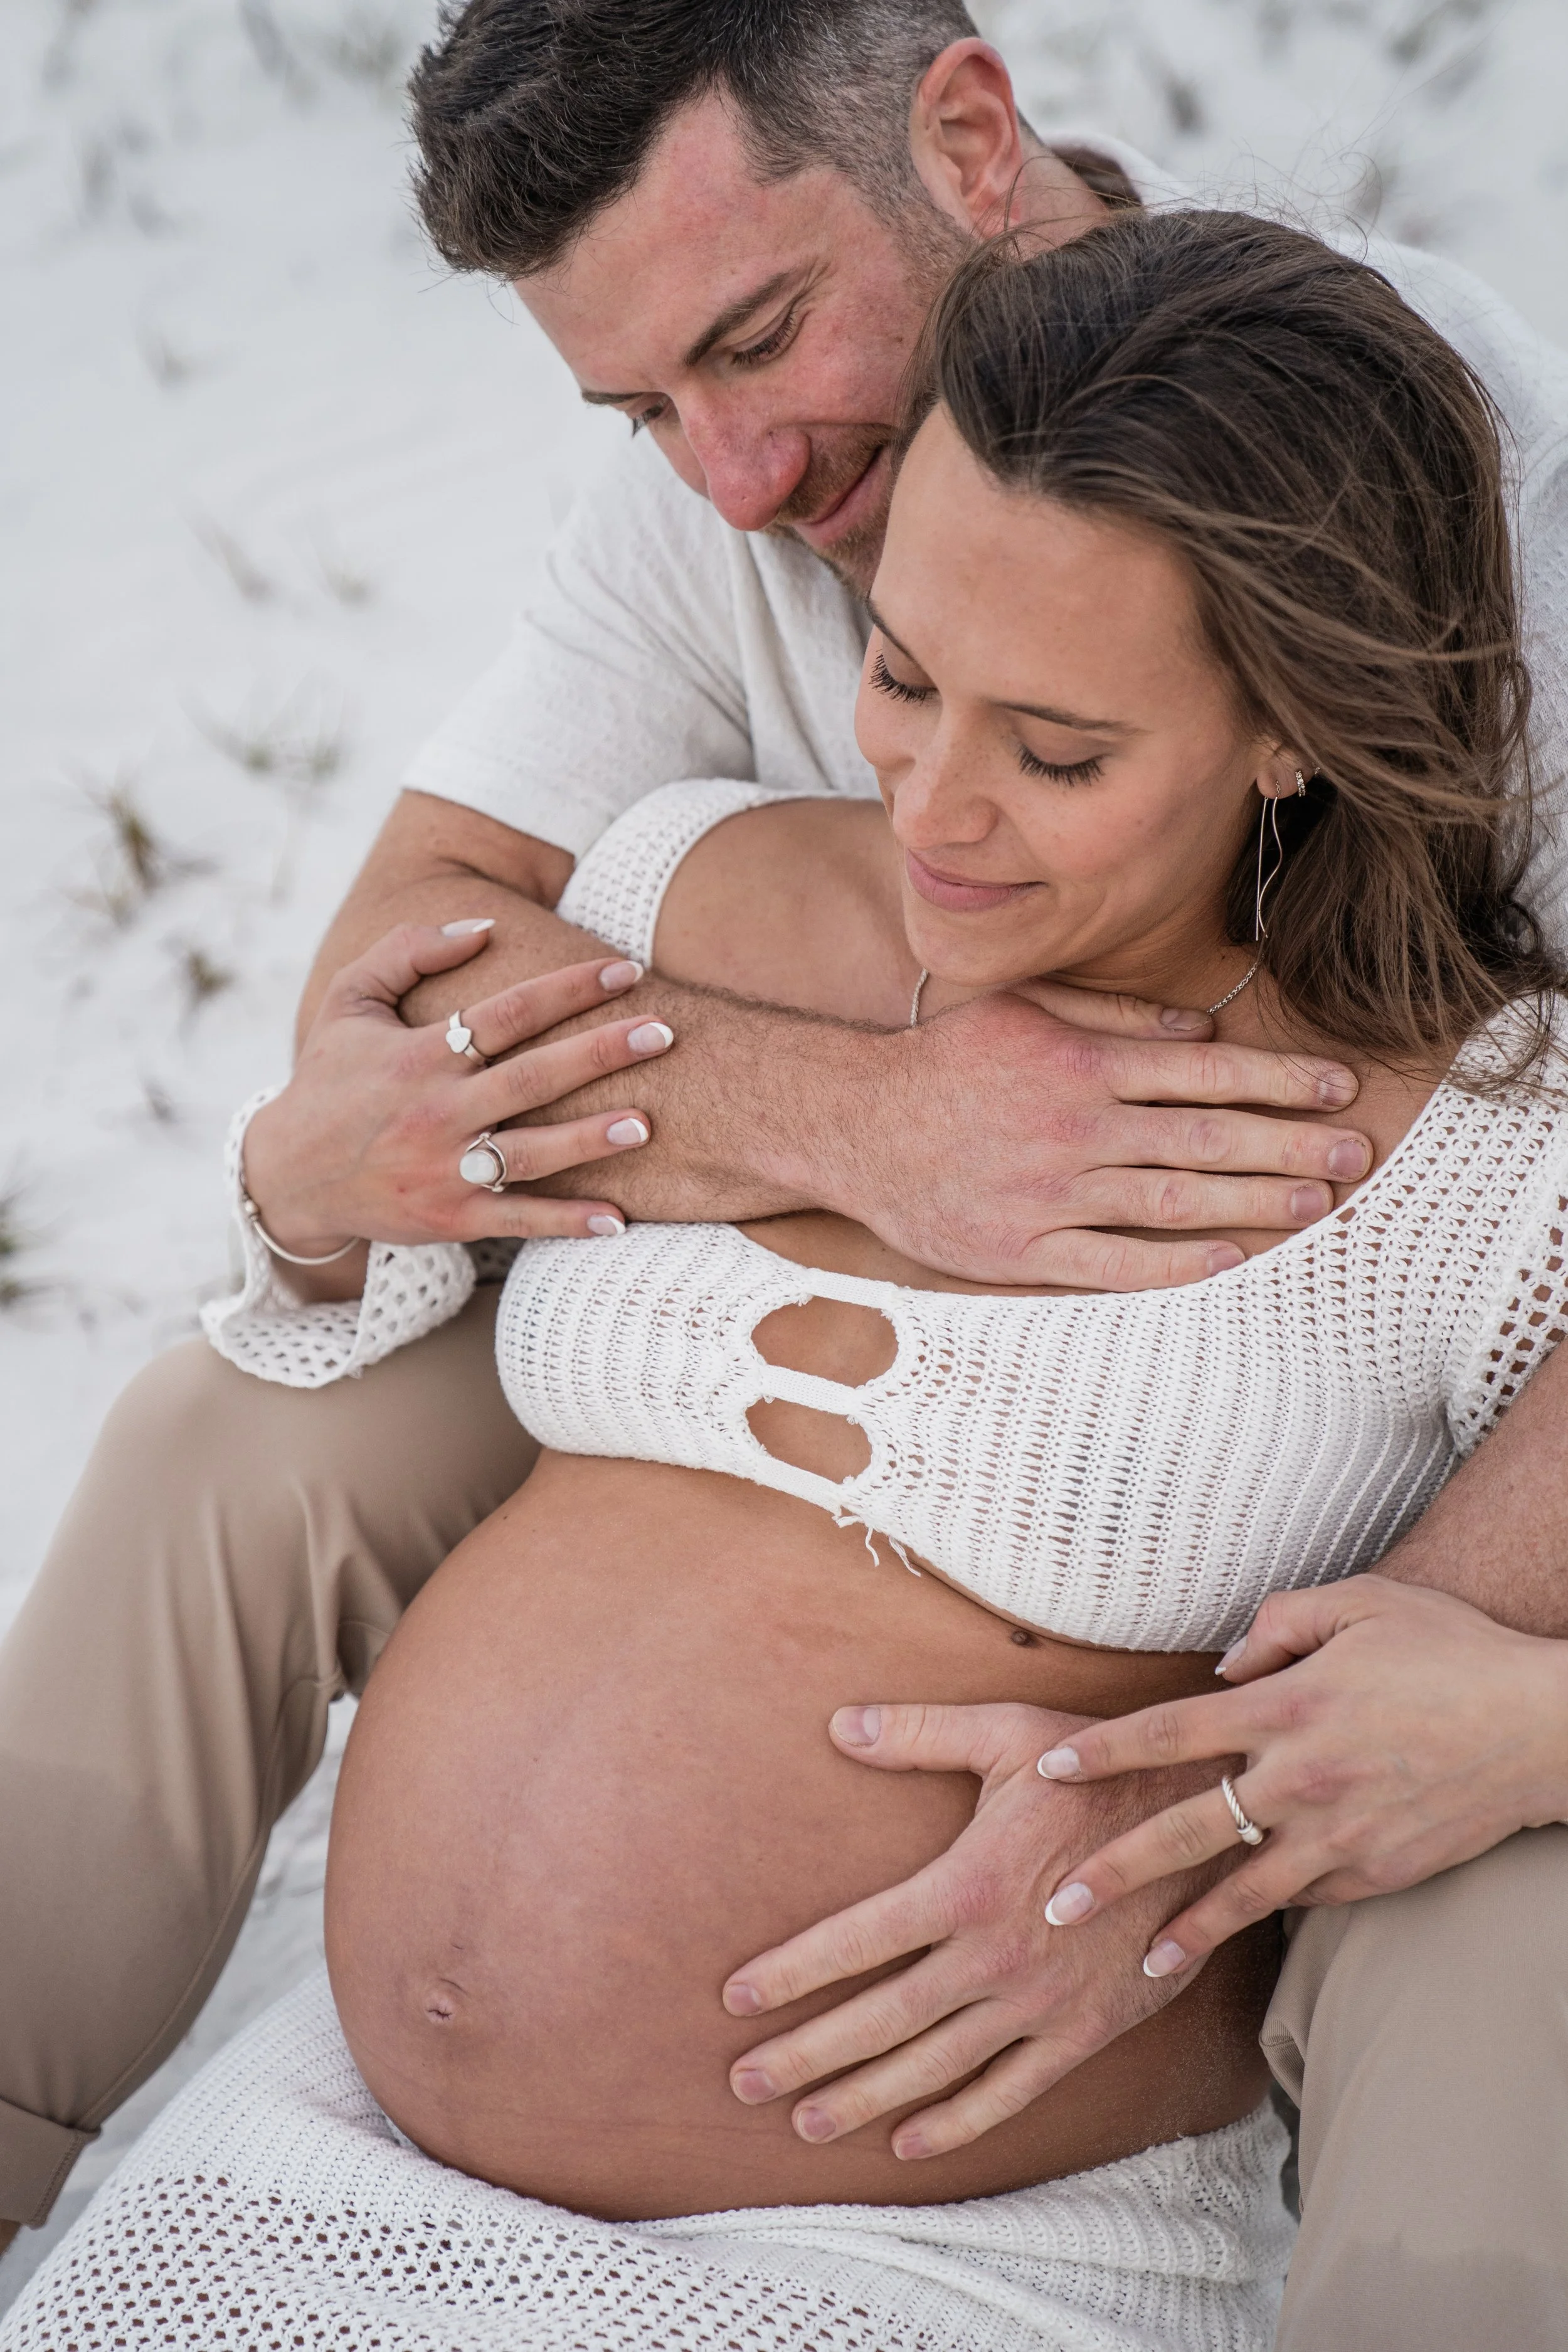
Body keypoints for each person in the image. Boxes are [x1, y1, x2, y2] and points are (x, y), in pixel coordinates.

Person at [1, 0, 1567, 2331]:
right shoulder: (730, 516)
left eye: (754, 340)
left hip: (1274, 1392)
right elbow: (403, 960)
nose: (724, 478)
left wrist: (1252, 1762)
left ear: (964, 135)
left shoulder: (1443, 501)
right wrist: (859, 1112)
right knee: (239, 1423)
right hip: (762, 1238)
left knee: (1473, 1828)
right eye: (644, 410)